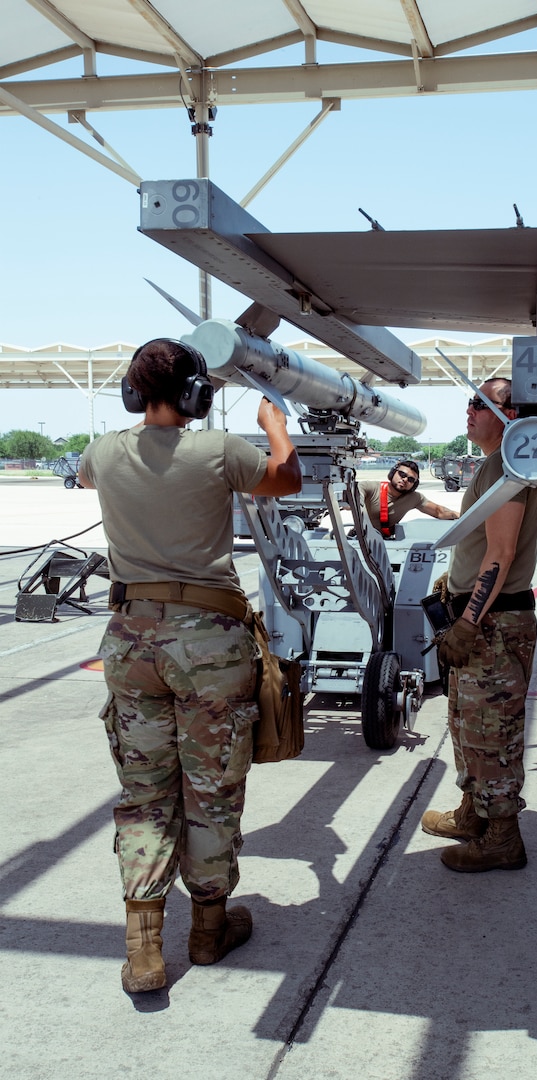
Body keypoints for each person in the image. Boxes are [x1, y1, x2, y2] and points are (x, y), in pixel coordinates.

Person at [78, 337, 302, 993]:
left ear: (131, 392)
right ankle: (207, 929)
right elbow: (286, 480)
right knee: (210, 793)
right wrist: (275, 429)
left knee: (145, 795)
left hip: (130, 642)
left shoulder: (103, 452)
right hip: (208, 644)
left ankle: (144, 949)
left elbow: (91, 474)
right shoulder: (220, 452)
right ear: (196, 396)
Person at [420, 380, 537, 872]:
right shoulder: (495, 464)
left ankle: (502, 837)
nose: (468, 410)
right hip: (481, 615)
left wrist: (468, 624)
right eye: (471, 401)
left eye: (480, 403)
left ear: (510, 413)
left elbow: (502, 552)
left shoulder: (506, 466)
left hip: (492, 622)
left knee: (492, 734)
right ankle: (474, 812)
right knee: (469, 726)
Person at [357, 459, 459, 537]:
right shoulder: (369, 487)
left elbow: (438, 511)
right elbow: (354, 501)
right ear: (393, 473)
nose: (405, 479)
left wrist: (462, 514)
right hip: (359, 539)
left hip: (384, 542)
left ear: (414, 485)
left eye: (410, 479)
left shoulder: (414, 498)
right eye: (402, 474)